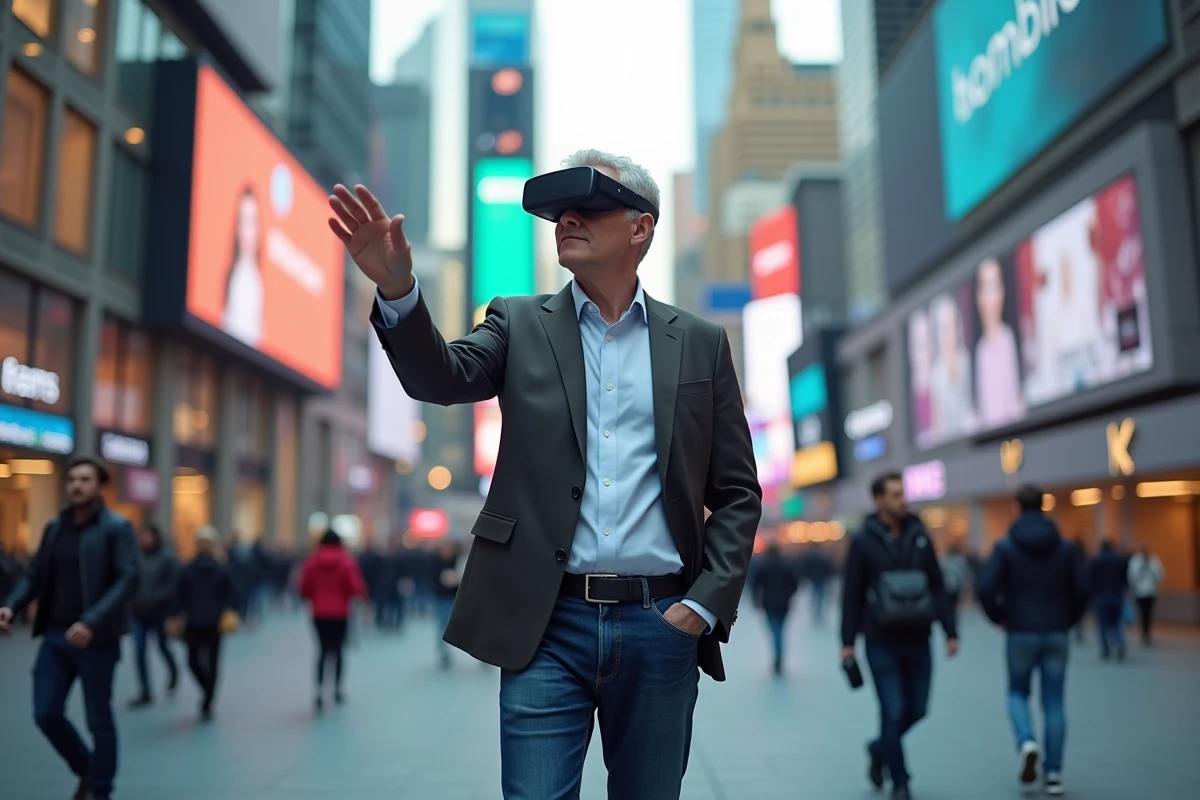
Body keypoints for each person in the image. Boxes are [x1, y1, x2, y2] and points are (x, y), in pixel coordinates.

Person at [330, 148, 761, 800]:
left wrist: (702, 605)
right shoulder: (519, 321)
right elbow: (439, 377)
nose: (567, 219)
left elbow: (736, 492)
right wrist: (397, 290)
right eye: (559, 211)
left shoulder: (699, 342)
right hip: (544, 626)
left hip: (661, 624)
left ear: (641, 226)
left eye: (588, 205)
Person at [0, 456, 139, 800]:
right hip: (56, 635)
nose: (76, 485)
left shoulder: (116, 528)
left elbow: (128, 578)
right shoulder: (55, 528)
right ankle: (88, 770)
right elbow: (34, 573)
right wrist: (10, 606)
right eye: (72, 479)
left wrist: (92, 621)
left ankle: (101, 792)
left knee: (98, 720)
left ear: (100, 486)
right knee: (46, 712)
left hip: (97, 639)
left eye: (85, 479)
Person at [840, 472, 958, 800]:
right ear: (879, 500)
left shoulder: (920, 533)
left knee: (917, 709)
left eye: (902, 493)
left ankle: (879, 749)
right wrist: (847, 643)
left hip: (919, 637)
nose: (902, 499)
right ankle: (900, 780)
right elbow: (852, 593)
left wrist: (951, 630)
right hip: (880, 640)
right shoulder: (864, 540)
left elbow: (937, 584)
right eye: (894, 494)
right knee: (891, 711)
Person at [976, 485, 1090, 796]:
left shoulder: (1006, 546)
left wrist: (999, 616)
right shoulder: (1065, 547)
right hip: (1056, 630)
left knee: (1016, 692)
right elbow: (1082, 588)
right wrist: (1069, 619)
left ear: (1016, 508)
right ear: (1045, 506)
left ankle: (1027, 740)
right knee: (1054, 700)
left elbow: (985, 588)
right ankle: (1053, 773)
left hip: (1020, 630)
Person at [298, 529, 368, 710]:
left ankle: (319, 690)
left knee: (321, 650)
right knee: (338, 650)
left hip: (319, 612)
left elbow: (304, 586)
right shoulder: (346, 562)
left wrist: (312, 597)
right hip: (340, 612)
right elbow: (355, 586)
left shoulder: (312, 561)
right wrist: (363, 599)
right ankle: (337, 688)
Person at [172, 526, 234, 720]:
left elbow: (179, 596)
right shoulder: (218, 568)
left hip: (197, 621)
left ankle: (207, 695)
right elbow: (231, 596)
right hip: (209, 622)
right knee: (208, 662)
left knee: (196, 661)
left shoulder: (190, 569)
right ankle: (209, 694)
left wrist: (175, 615)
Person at [128, 524, 180, 707]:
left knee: (162, 646)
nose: (145, 540)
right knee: (139, 650)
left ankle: (173, 671)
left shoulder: (167, 557)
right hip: (139, 612)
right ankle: (145, 690)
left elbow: (173, 586)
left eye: (148, 536)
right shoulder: (136, 556)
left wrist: (170, 613)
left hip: (159, 612)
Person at [222, 186, 264, 346]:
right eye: (243, 221)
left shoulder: (256, 281)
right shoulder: (232, 276)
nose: (247, 231)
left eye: (252, 222)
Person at [750, 542, 799, 676]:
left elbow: (755, 584)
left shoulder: (763, 565)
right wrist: (788, 595)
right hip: (784, 603)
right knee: (781, 630)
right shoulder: (786, 565)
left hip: (769, 602)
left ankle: (777, 656)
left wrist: (756, 599)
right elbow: (795, 584)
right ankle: (779, 656)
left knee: (774, 630)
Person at [1089, 540, 1129, 661]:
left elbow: (1090, 579)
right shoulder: (1120, 560)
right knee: (1116, 623)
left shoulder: (1096, 560)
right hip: (1117, 596)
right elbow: (1125, 579)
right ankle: (1119, 642)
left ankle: (1106, 649)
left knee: (1102, 625)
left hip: (1100, 597)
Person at [431, 538, 461, 669]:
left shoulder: (458, 561)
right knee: (443, 625)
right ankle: (444, 653)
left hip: (458, 598)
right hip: (443, 598)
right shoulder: (435, 562)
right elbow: (432, 580)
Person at [1126, 545, 1165, 646]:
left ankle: (1147, 633)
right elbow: (1132, 576)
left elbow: (1160, 574)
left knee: (1149, 613)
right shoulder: (1135, 561)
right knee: (1143, 613)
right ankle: (1144, 633)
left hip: (1151, 591)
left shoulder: (1153, 561)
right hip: (1140, 592)